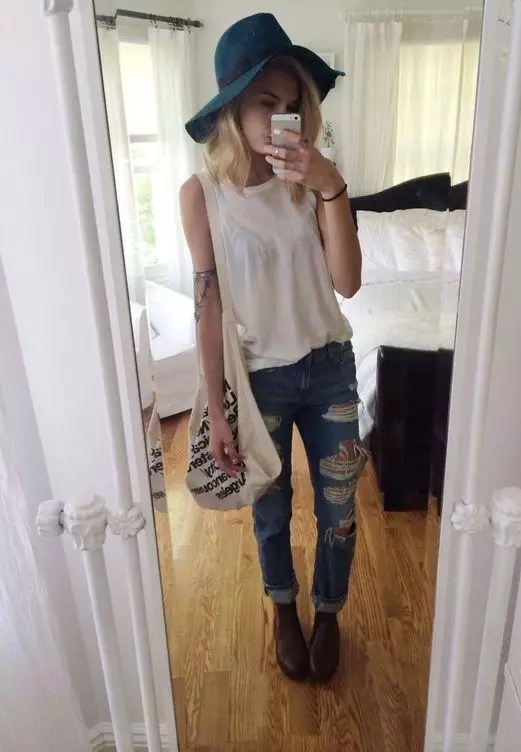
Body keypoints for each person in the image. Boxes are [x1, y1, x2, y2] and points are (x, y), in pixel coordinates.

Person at [180, 13, 364, 683]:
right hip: (260, 380)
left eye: (292, 104)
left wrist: (330, 185)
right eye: (266, 101)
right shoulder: (202, 196)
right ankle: (284, 608)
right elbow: (208, 307)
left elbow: (348, 282)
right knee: (271, 509)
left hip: (330, 368)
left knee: (339, 512)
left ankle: (329, 611)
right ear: (232, 106)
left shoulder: (311, 184)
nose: (282, 117)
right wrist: (218, 408)